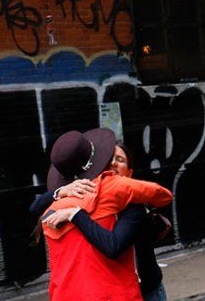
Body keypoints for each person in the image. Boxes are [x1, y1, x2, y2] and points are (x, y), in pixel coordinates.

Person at [39, 129, 172, 301]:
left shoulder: (134, 205)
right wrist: (60, 191)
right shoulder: (91, 198)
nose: (114, 164)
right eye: (110, 160)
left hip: (148, 289)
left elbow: (113, 246)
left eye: (121, 160)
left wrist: (75, 214)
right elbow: (36, 206)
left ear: (130, 173)